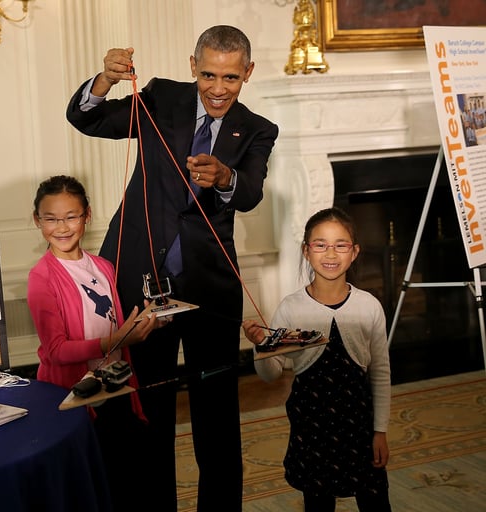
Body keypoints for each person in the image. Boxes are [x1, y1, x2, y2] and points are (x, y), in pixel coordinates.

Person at [65, 25, 278, 510]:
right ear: (192, 66)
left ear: (247, 73)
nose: (218, 88)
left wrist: (226, 176)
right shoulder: (161, 98)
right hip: (142, 282)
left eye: (230, 77)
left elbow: (250, 192)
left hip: (210, 289)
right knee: (149, 411)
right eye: (208, 74)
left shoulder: (259, 129)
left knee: (217, 415)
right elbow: (87, 119)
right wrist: (104, 80)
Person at [242, 207, 392, 512]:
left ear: (354, 252)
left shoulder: (369, 307)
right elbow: (271, 374)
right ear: (306, 252)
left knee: (375, 501)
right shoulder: (290, 308)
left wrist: (380, 431)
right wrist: (261, 346)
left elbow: (380, 373)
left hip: (359, 425)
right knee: (318, 503)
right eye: (320, 244)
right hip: (312, 425)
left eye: (341, 245)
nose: (331, 253)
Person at [26, 175, 161, 511]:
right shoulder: (41, 277)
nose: (62, 227)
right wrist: (113, 340)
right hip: (77, 401)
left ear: (87, 215)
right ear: (37, 220)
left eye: (71, 216)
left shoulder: (103, 266)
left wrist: (145, 324)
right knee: (91, 493)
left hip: (116, 390)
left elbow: (117, 330)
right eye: (51, 218)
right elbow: (56, 351)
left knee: (128, 483)